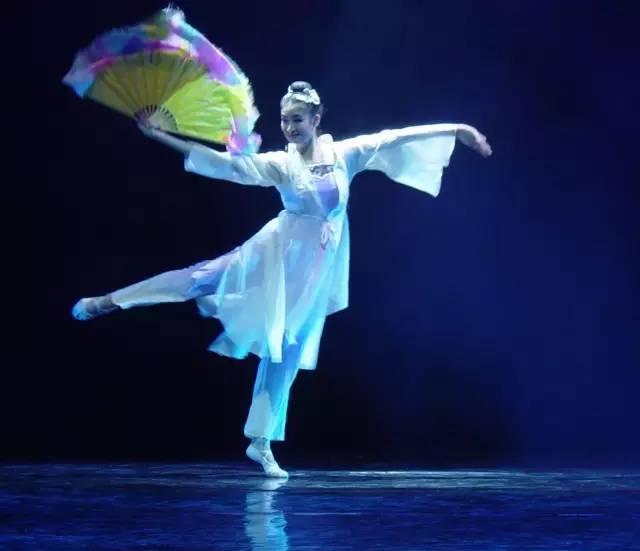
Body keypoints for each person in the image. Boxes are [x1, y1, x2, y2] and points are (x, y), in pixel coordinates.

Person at [72, 81, 492, 478]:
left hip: (317, 269)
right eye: (284, 120)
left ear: (316, 119)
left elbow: (394, 138)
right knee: (200, 278)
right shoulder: (281, 163)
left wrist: (458, 129)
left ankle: (260, 442)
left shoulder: (345, 154)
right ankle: (110, 300)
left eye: (297, 119)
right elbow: (227, 165)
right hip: (277, 251)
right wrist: (161, 135)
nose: (290, 127)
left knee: (286, 350)